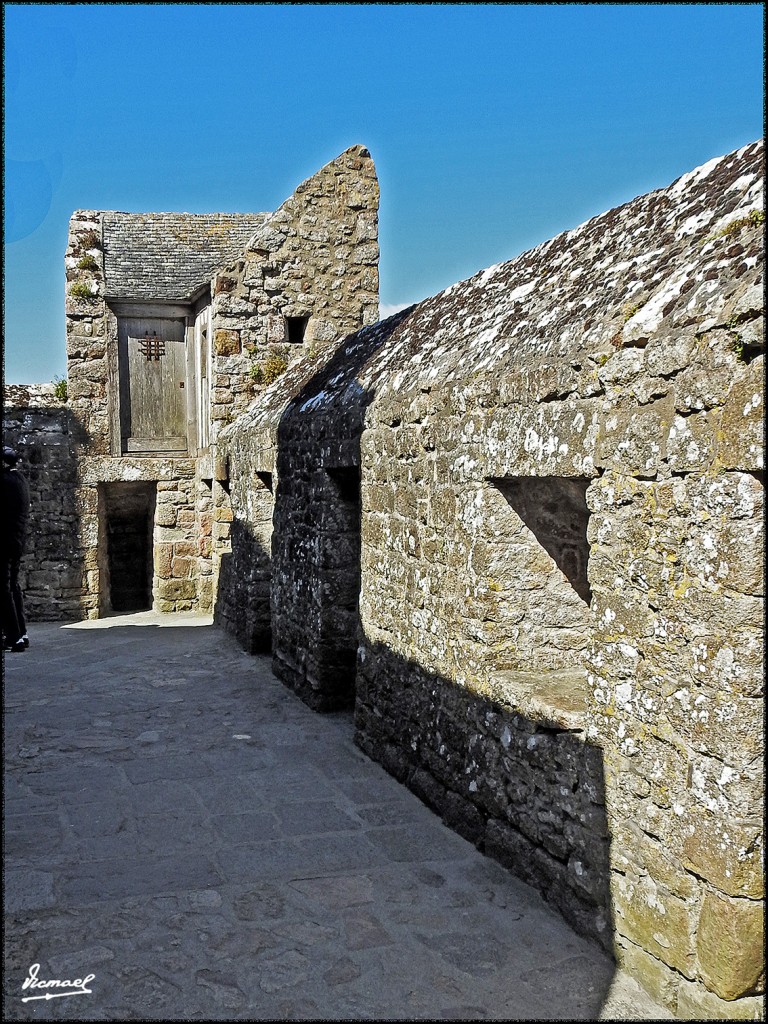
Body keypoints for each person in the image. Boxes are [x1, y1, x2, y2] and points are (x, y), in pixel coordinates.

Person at [2, 446, 30, 653]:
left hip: (4, 541)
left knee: (4, 589)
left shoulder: (5, 481)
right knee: (13, 585)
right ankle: (22, 632)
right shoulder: (19, 479)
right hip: (16, 541)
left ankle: (13, 637)